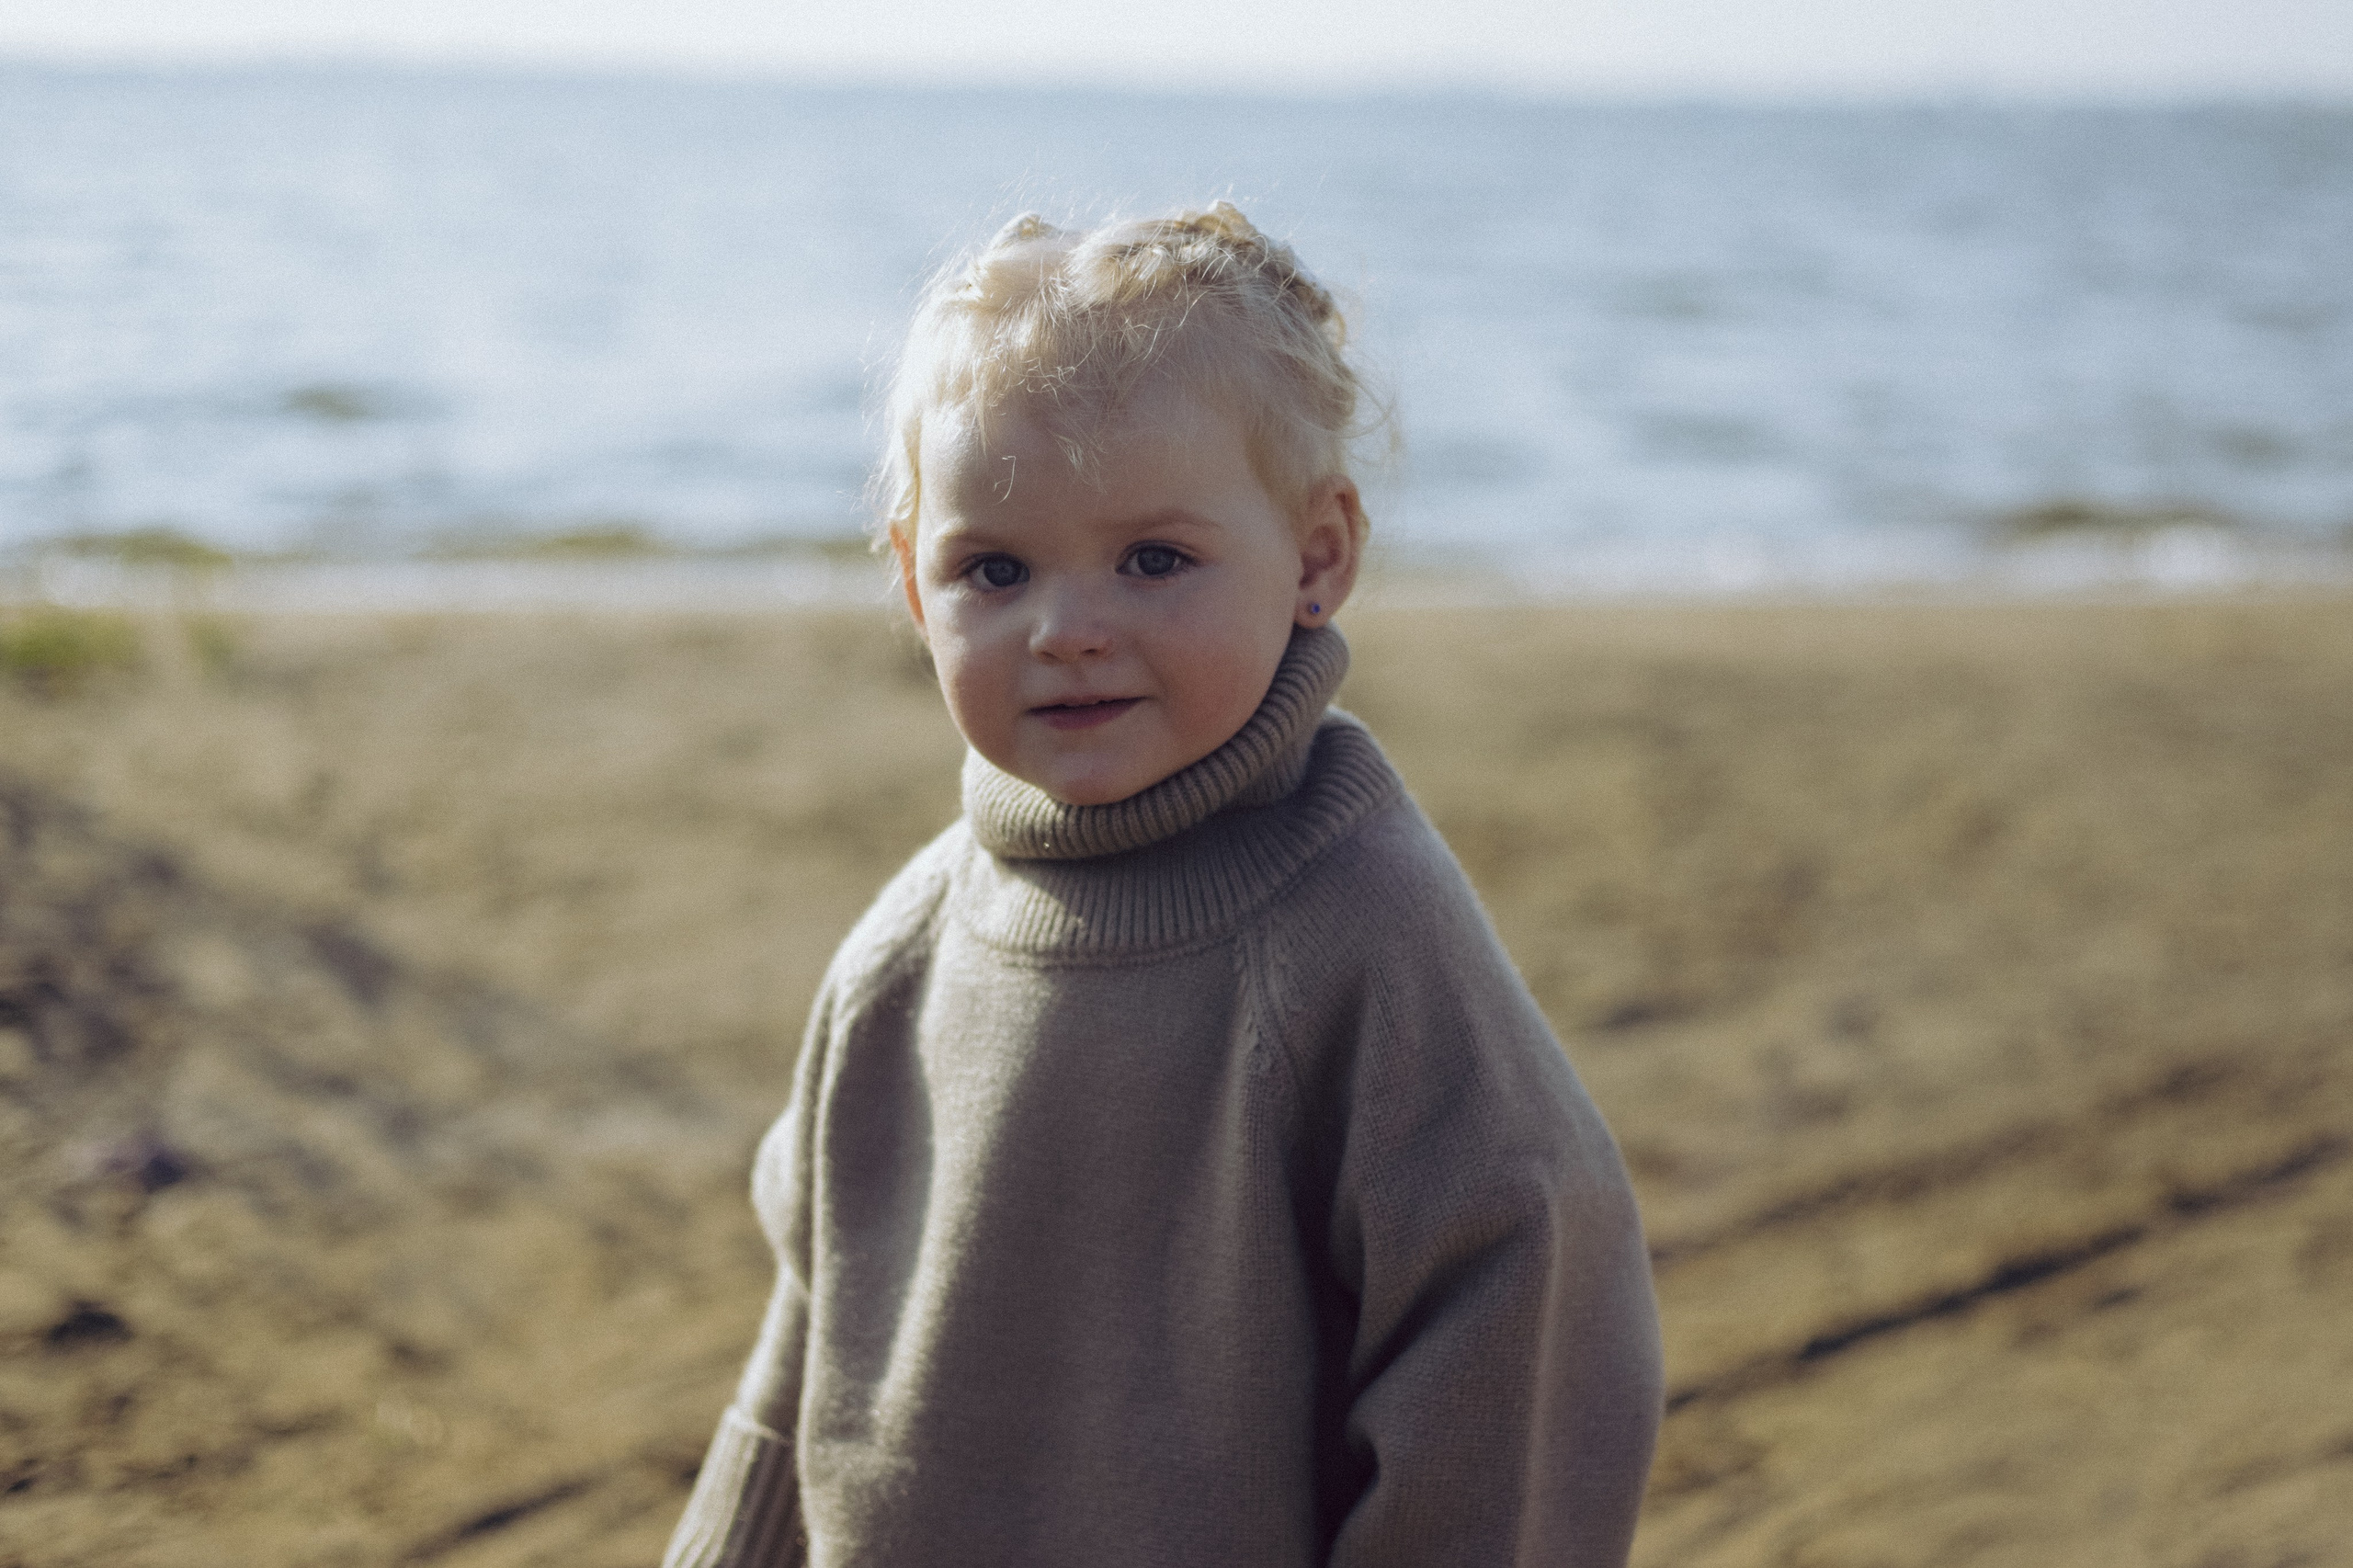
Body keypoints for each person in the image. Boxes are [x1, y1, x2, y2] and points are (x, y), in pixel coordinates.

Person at [664, 202, 1663, 1568]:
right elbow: (802, 1366)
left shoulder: (1358, 931)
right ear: (911, 582)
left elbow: (1523, 1348)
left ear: (1316, 559)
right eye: (993, 569)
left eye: (1154, 560)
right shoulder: (902, 950)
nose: (1069, 629)